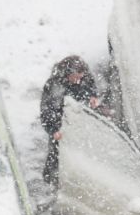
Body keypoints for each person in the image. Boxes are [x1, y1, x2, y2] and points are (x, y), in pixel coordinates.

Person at [38, 55, 101, 186]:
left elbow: (90, 84)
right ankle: (51, 180)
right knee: (56, 152)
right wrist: (53, 129)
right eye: (76, 78)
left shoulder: (83, 76)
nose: (79, 81)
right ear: (68, 73)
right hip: (60, 119)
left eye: (81, 77)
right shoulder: (54, 86)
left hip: (78, 114)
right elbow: (46, 111)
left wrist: (93, 95)